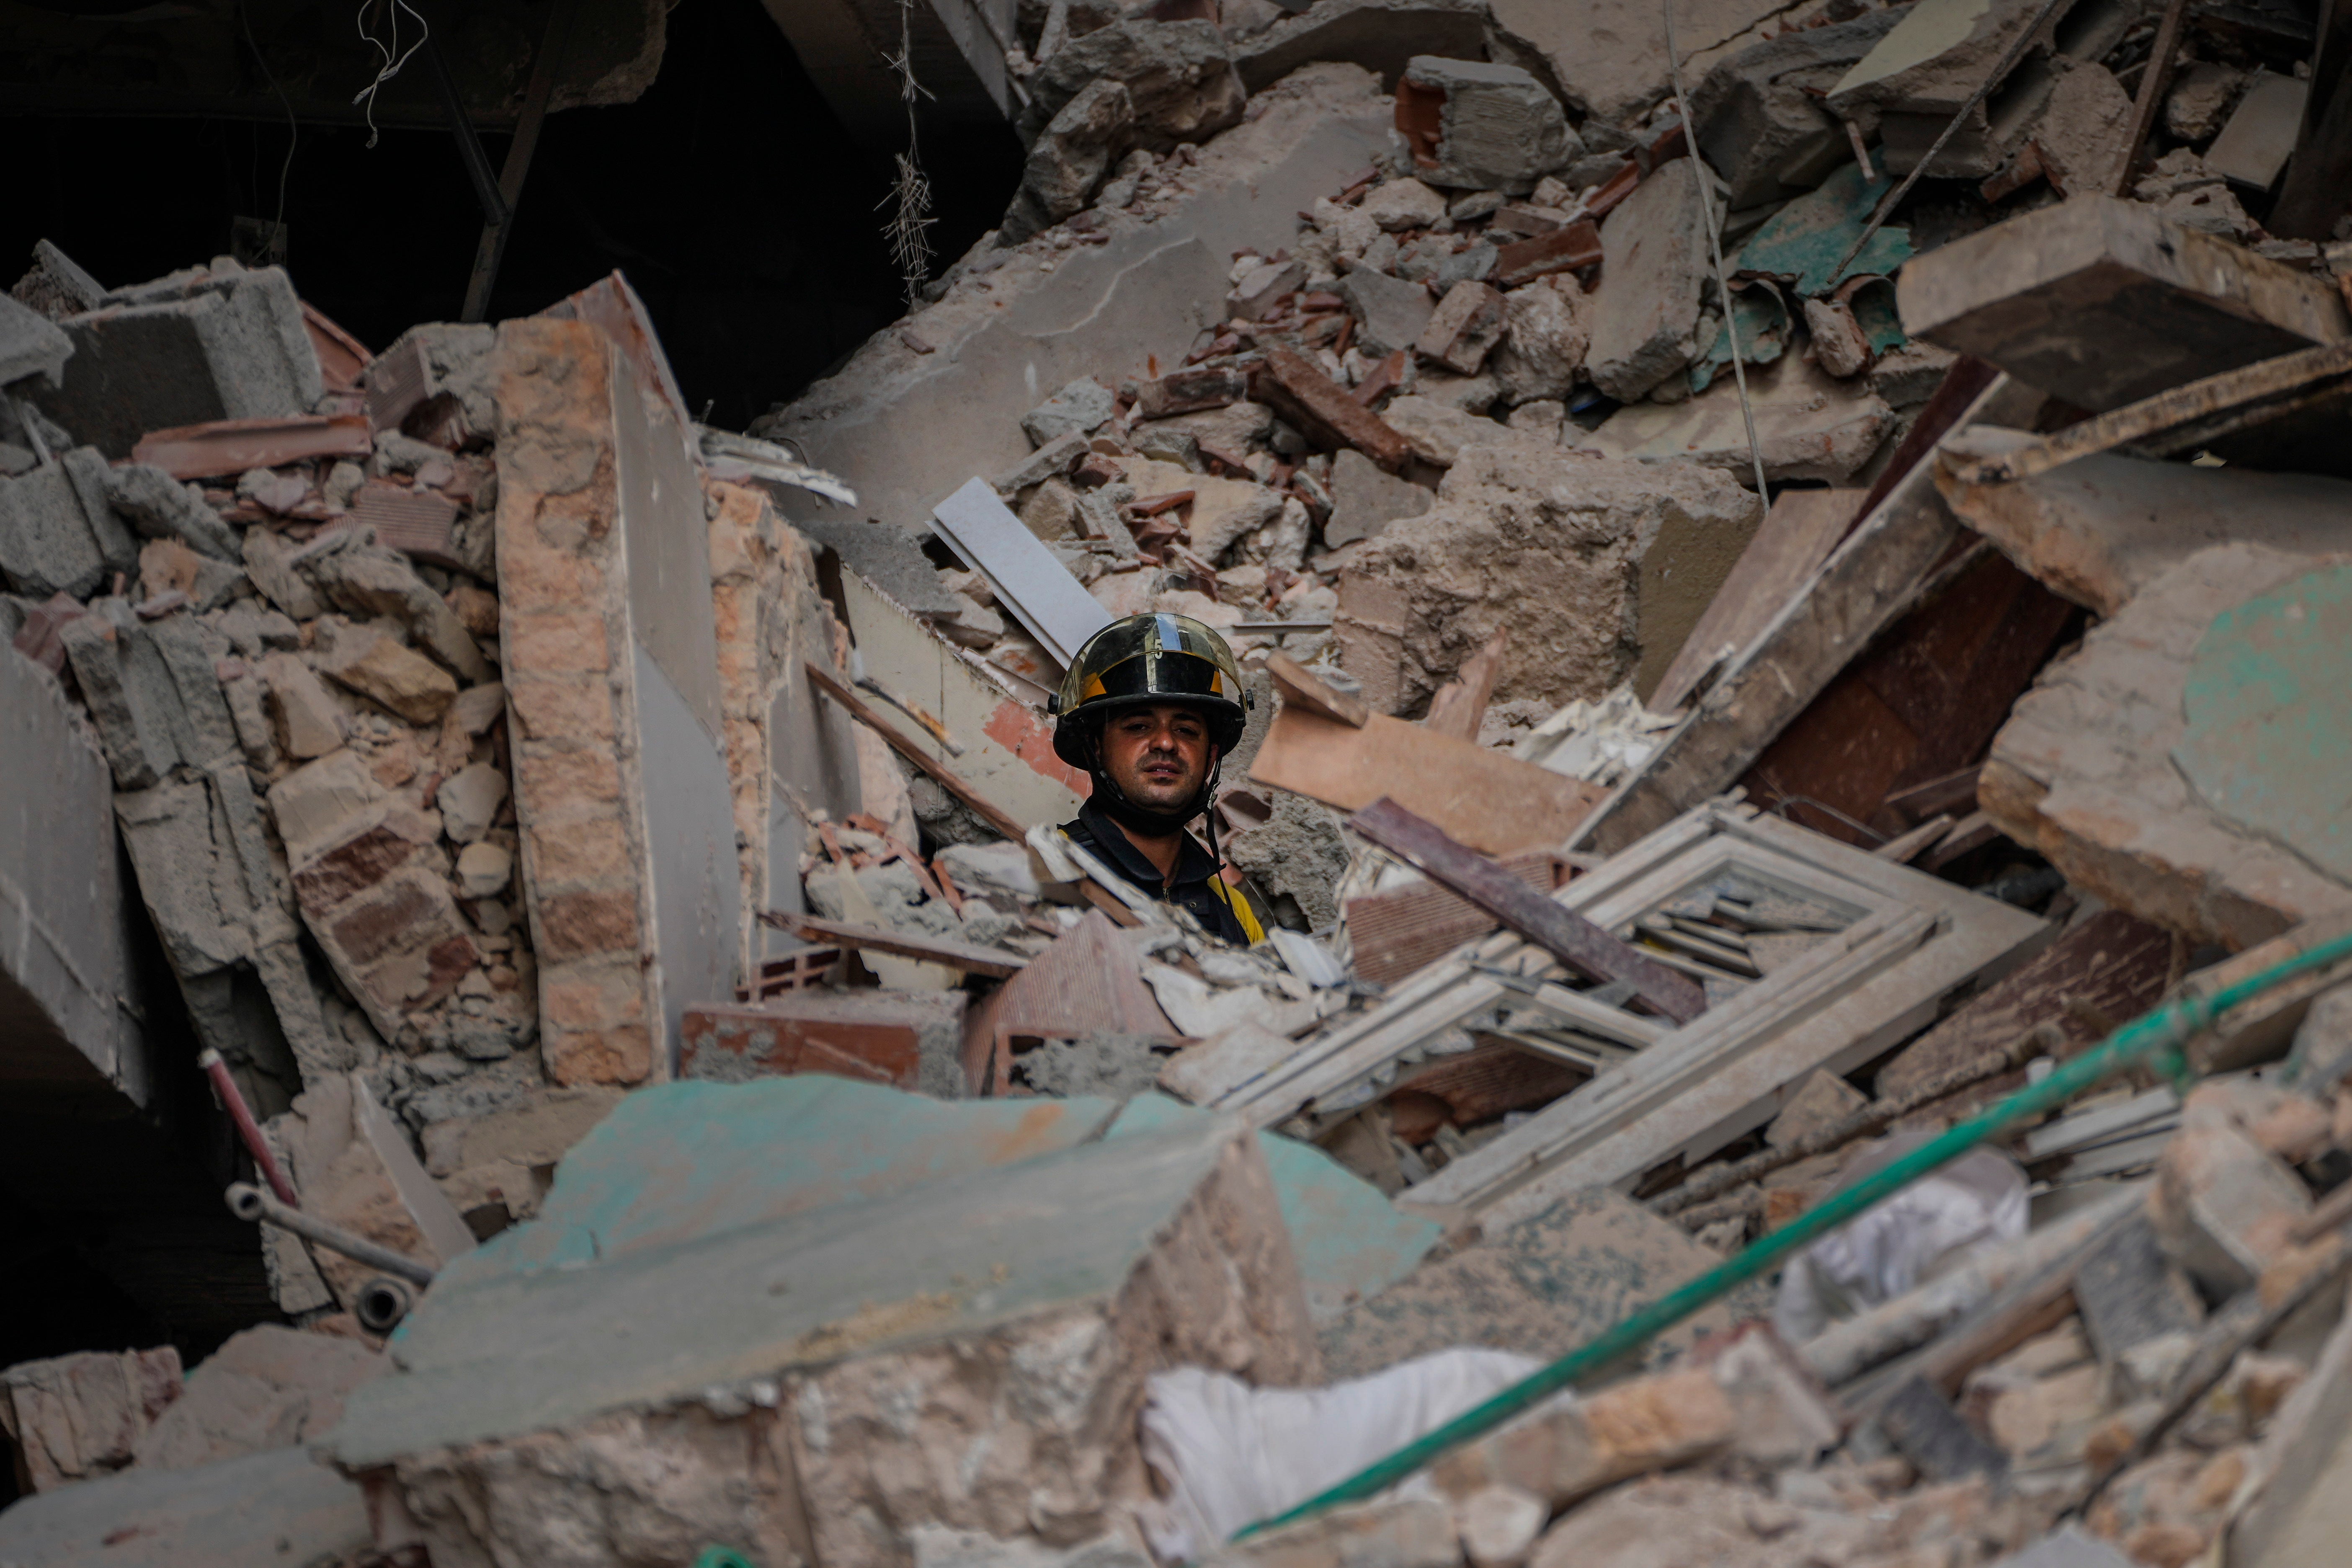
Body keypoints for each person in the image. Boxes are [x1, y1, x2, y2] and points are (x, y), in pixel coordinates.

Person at [1048, 613, 1266, 944]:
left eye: (1186, 730)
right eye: (1138, 726)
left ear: (1210, 756)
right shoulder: (1047, 871)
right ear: (1096, 747)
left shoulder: (1234, 912)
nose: (1165, 743)